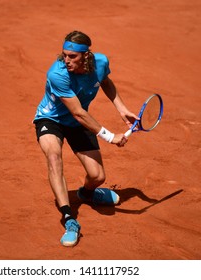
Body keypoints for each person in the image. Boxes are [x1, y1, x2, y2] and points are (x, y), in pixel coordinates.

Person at [33, 30, 138, 247]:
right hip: (51, 120)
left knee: (97, 176)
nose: (67, 60)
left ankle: (87, 193)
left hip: (79, 124)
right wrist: (110, 137)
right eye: (64, 55)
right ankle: (69, 218)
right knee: (54, 157)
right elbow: (78, 112)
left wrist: (121, 109)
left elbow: (105, 81)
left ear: (86, 56)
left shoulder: (100, 62)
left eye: (72, 56)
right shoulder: (58, 74)